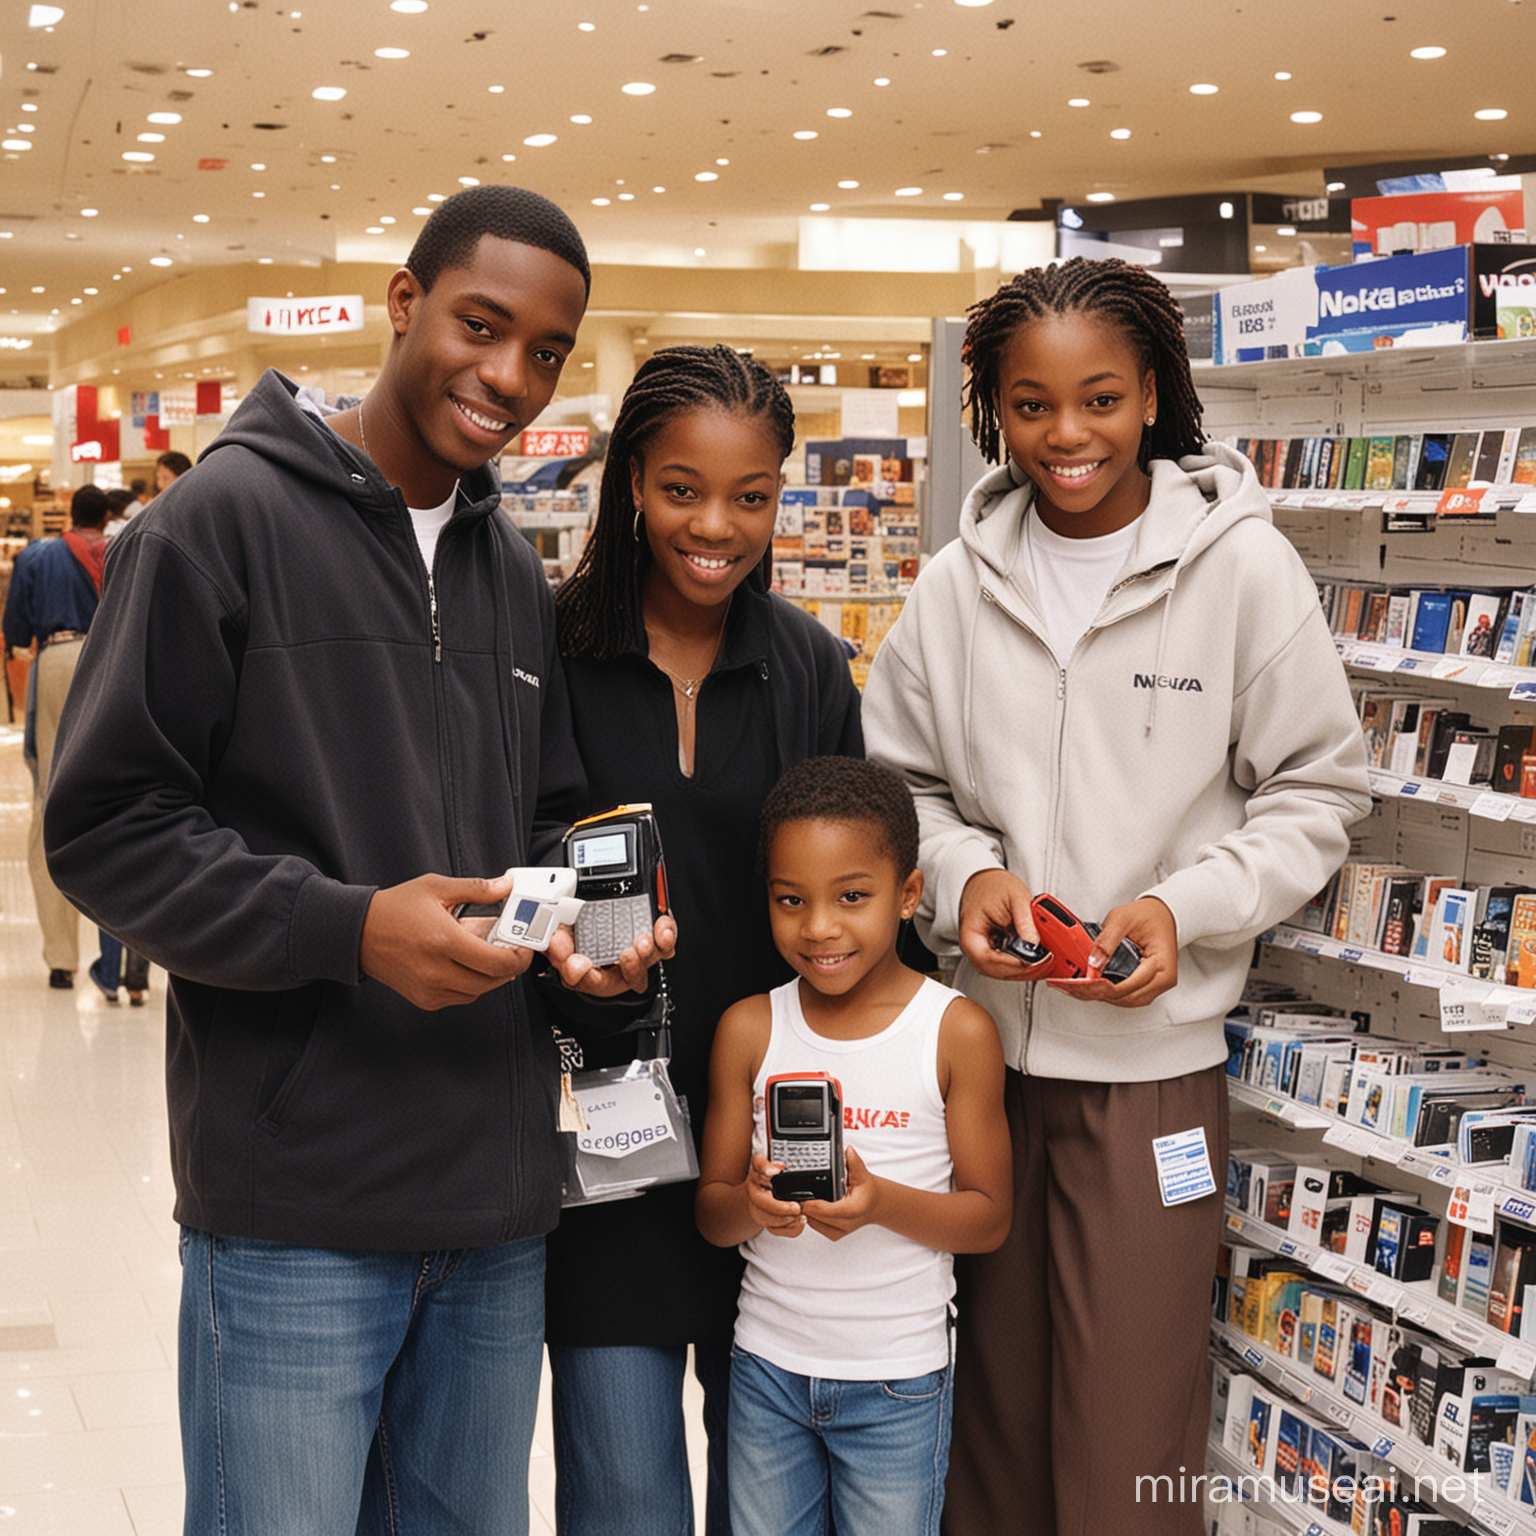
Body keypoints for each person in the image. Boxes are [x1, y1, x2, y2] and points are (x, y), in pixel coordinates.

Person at [44, 185, 657, 1536]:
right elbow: (105, 826)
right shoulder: (220, 524)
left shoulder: (508, 569)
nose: (508, 375)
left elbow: (544, 817)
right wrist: (348, 928)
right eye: (481, 325)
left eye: (547, 350)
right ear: (404, 302)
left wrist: (591, 945)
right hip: (295, 1211)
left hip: (494, 1208)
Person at [860, 257, 1372, 1536]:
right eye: (1031, 405)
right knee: (992, 1416)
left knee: (1127, 1432)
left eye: (1098, 399)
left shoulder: (1242, 572)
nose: (1066, 435)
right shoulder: (950, 588)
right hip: (979, 1060)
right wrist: (966, 877)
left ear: (1151, 393)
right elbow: (898, 790)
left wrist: (1185, 906)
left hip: (1150, 1076)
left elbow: (1319, 791)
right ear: (994, 412)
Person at [547, 343, 863, 1535]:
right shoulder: (547, 654)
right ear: (632, 480)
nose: (715, 526)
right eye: (683, 488)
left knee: (772, 1503)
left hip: (771, 1138)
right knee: (623, 1496)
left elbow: (854, 882)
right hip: (602, 1146)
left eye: (752, 494)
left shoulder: (806, 664)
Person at [696, 754, 1011, 1536]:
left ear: (909, 895)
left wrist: (879, 1205)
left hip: (899, 1381)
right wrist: (754, 1206)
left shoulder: (956, 1031)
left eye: (853, 897)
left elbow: (988, 1218)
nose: (820, 928)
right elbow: (710, 1212)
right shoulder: (748, 1029)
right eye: (790, 900)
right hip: (766, 1367)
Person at [2, 482, 111, 988]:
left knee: (50, 800)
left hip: (57, 657)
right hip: (111, 663)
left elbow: (17, 628)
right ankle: (122, 956)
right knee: (121, 799)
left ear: (69, 513)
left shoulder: (39, 557)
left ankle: (61, 958)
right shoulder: (127, 547)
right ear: (107, 515)